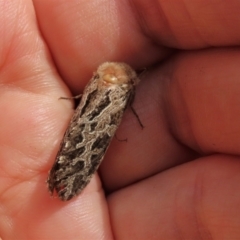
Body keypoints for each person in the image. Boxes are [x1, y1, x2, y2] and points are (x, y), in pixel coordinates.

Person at [1, 0, 239, 239]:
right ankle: (65, 182)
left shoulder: (100, 80)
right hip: (92, 137)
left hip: (82, 125)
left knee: (76, 137)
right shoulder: (123, 91)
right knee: (86, 142)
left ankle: (62, 180)